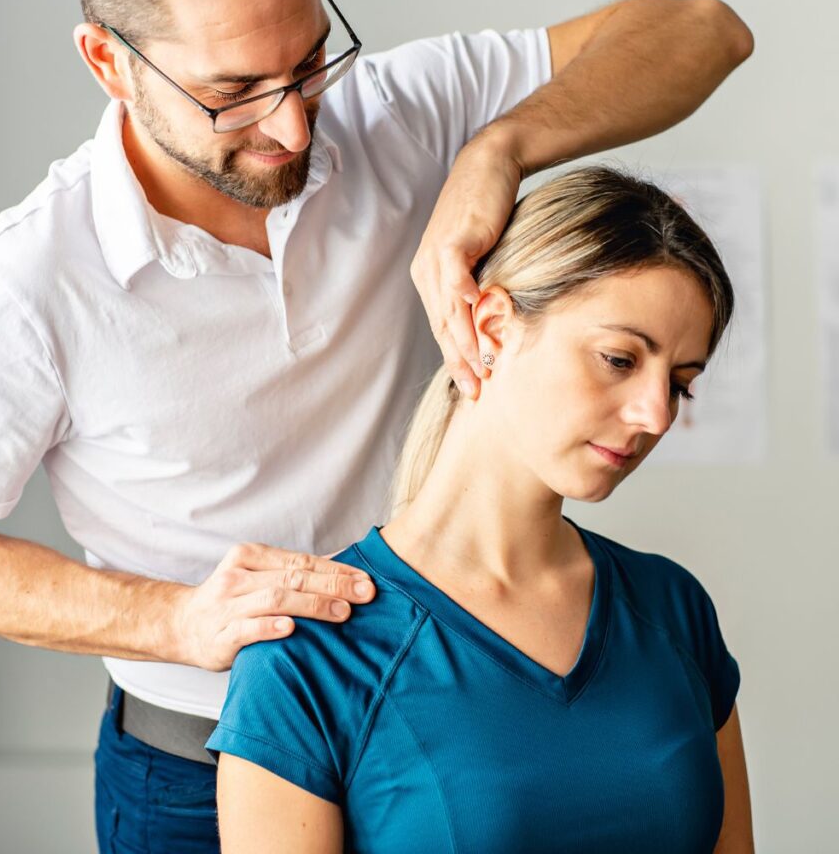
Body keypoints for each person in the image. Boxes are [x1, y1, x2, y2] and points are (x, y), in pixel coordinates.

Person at [0, 0, 753, 851]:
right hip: (194, 758)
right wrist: (179, 623)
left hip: (454, 711)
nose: (292, 125)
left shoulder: (399, 112)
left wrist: (502, 149)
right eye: (234, 90)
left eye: (310, 59)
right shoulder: (26, 283)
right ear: (109, 60)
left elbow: (702, 32)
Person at [208, 165, 755, 854]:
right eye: (620, 358)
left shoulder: (674, 609)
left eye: (681, 385)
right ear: (492, 326)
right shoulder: (312, 653)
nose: (654, 414)